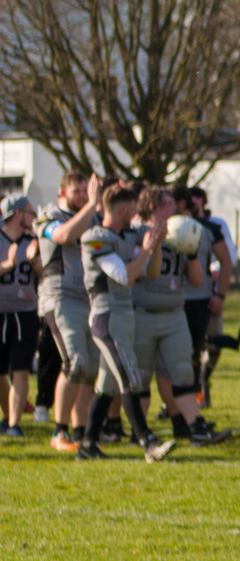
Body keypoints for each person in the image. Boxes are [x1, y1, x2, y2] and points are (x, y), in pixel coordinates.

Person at [78, 182, 174, 461]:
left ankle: (87, 445)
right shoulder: (95, 237)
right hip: (106, 315)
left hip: (124, 315)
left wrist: (153, 246)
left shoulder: (130, 235)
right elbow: (123, 276)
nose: (136, 214)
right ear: (122, 209)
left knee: (107, 386)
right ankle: (148, 442)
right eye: (132, 208)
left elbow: (152, 272)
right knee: (131, 376)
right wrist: (145, 248)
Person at [130, 187, 230, 448]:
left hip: (174, 313)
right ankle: (138, 431)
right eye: (167, 205)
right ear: (151, 207)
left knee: (182, 371)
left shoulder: (181, 231)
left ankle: (195, 427)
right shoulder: (136, 233)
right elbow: (139, 272)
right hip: (143, 312)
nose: (174, 209)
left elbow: (197, 281)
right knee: (140, 377)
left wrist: (193, 253)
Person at [35, 172, 102, 452]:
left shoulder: (93, 216)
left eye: (86, 191)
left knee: (90, 369)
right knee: (74, 362)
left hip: (88, 298)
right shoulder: (48, 216)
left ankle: (81, 433)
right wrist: (92, 205)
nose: (83, 196)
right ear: (62, 192)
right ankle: (58, 432)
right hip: (60, 297)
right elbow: (64, 235)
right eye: (77, 191)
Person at [181, 186, 233, 408]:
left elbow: (227, 260)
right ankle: (180, 402)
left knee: (208, 347)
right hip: (175, 300)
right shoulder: (167, 227)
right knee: (180, 354)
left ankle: (200, 387)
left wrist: (219, 294)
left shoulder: (213, 226)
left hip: (203, 298)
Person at [0, 195, 41, 438]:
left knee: (22, 369)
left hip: (25, 313)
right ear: (17, 214)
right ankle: (7, 416)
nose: (33, 216)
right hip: (1, 313)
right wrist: (7, 264)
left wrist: (35, 261)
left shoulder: (32, 241)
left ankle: (14, 424)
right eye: (29, 211)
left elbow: (46, 273)